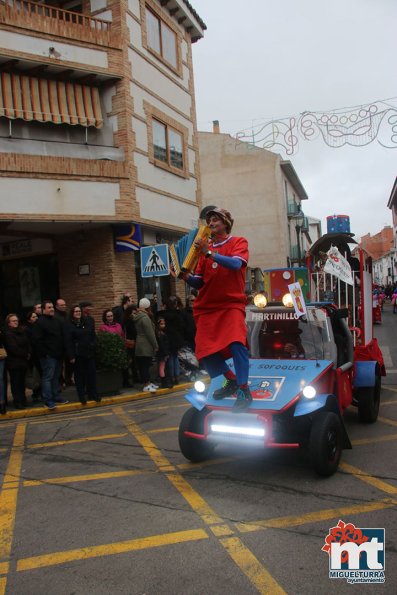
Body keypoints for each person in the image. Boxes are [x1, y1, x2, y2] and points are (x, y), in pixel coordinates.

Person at [182, 207, 251, 411]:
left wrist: (209, 253)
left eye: (215, 220)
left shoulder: (238, 242)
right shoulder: (205, 250)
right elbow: (201, 283)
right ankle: (230, 380)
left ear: (226, 223)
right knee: (204, 351)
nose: (210, 223)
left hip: (231, 304)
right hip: (208, 307)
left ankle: (244, 389)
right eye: (209, 221)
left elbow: (236, 265)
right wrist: (185, 277)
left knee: (238, 344)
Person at [32, 301, 69, 409]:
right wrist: (46, 354)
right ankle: (48, 400)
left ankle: (56, 396)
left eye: (52, 307)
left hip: (58, 355)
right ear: (43, 309)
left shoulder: (56, 321)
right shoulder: (39, 323)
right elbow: (37, 341)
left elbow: (60, 337)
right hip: (48, 356)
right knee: (47, 378)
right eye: (49, 307)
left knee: (56, 377)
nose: (52, 309)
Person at [66, 305, 99, 404]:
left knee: (91, 375)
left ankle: (93, 395)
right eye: (75, 311)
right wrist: (71, 356)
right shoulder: (68, 325)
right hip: (78, 355)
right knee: (80, 377)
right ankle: (81, 397)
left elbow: (93, 335)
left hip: (89, 353)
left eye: (79, 311)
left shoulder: (87, 322)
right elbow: (68, 342)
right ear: (72, 313)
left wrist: (93, 344)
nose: (78, 313)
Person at [3, 313, 31, 409]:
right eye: (13, 321)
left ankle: (23, 400)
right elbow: (13, 349)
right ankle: (17, 402)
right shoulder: (7, 334)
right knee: (16, 383)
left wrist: (27, 352)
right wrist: (25, 353)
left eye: (17, 321)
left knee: (22, 383)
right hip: (14, 363)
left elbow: (27, 344)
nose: (16, 322)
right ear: (9, 323)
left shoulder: (21, 331)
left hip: (22, 362)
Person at [133, 298, 158, 392]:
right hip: (146, 344)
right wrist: (155, 345)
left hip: (140, 344)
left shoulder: (138, 316)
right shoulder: (145, 317)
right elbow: (150, 333)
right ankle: (146, 384)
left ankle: (148, 382)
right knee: (145, 365)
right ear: (148, 307)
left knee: (143, 365)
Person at [24, 310, 42, 403]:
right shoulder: (27, 330)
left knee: (41, 375)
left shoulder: (40, 327)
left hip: (40, 355)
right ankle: (36, 394)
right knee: (35, 377)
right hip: (33, 357)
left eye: (36, 316)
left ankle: (41, 393)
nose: (36, 318)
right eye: (33, 317)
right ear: (29, 320)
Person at [156, 317, 172, 388]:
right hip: (162, 353)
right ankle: (164, 382)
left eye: (164, 324)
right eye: (162, 324)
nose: (163, 325)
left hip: (162, 353)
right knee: (162, 367)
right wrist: (166, 353)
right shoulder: (160, 334)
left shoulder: (161, 333)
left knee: (162, 367)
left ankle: (165, 382)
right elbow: (162, 345)